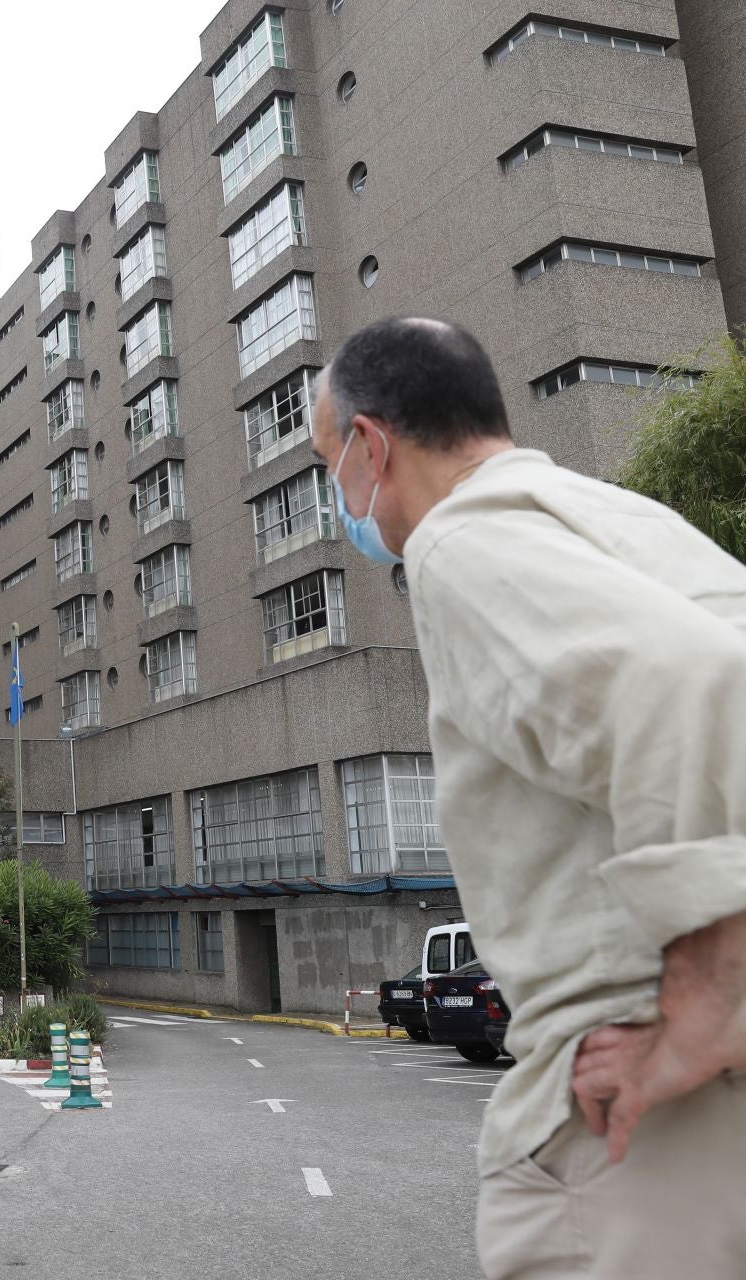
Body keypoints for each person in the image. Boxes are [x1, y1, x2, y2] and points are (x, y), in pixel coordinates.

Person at [312, 316, 746, 1278]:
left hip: (639, 1104)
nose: (338, 496)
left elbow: (698, 682)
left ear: (372, 444)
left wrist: (714, 991)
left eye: (328, 461)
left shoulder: (463, 545)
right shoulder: (621, 519)